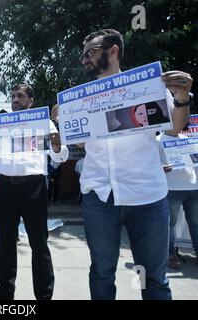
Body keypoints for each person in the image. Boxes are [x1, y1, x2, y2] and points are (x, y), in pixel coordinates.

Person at [79, 29, 192, 300]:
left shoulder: (147, 87)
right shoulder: (80, 97)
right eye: (82, 55)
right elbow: (83, 144)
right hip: (99, 195)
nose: (84, 59)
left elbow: (176, 128)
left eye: (91, 52)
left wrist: (182, 97)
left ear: (113, 50)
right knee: (102, 272)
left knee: (153, 277)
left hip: (146, 195)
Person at [0, 84, 69, 300]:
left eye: (21, 96)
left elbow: (60, 156)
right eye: (13, 96)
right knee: (6, 242)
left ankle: (44, 296)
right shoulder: (0, 124)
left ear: (31, 101)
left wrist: (56, 146)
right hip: (5, 187)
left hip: (33, 186)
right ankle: (5, 293)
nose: (15, 99)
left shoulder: (44, 122)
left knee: (38, 242)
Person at [157, 131, 198, 269]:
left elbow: (194, 159)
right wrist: (159, 168)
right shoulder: (157, 140)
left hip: (193, 186)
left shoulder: (187, 139)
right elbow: (149, 163)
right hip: (171, 188)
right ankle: (169, 254)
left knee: (196, 222)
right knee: (169, 224)